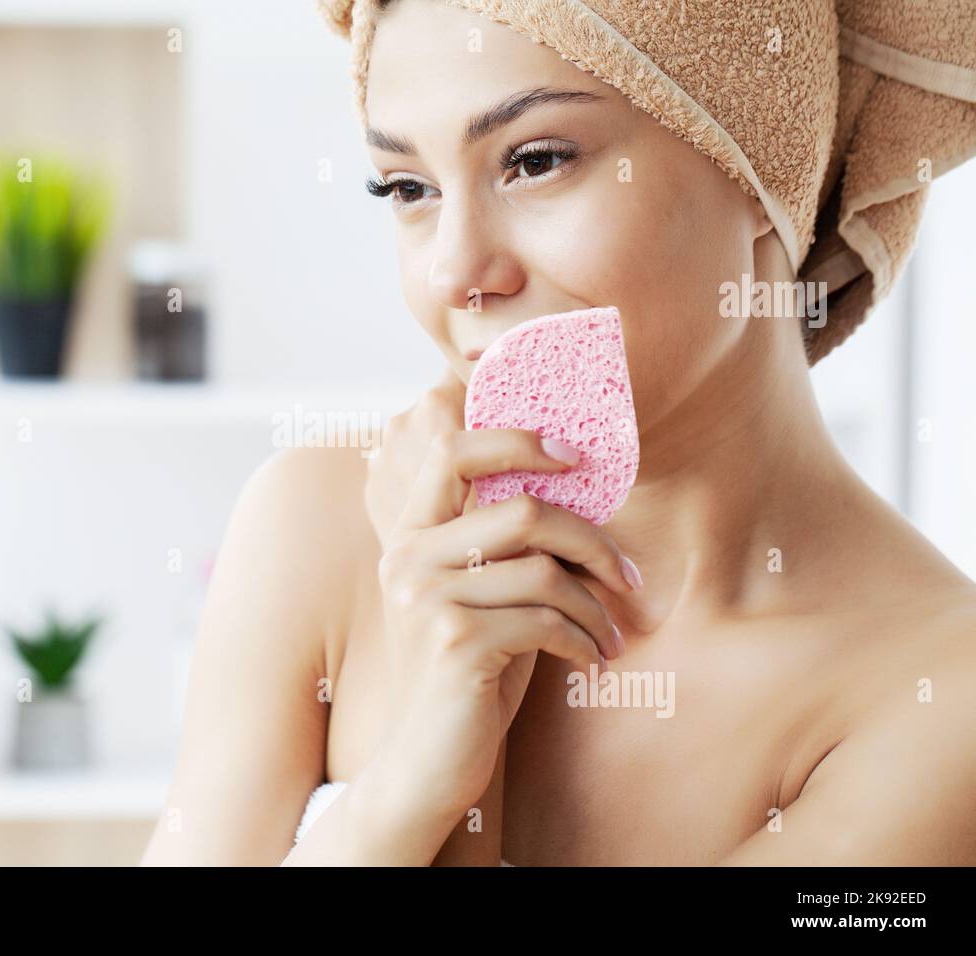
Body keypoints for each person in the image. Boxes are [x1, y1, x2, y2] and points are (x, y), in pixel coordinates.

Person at [141, 0, 976, 865]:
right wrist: (405, 783)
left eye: (534, 162)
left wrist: (456, 777)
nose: (456, 271)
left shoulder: (940, 706)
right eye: (408, 189)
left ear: (759, 164)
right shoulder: (316, 523)